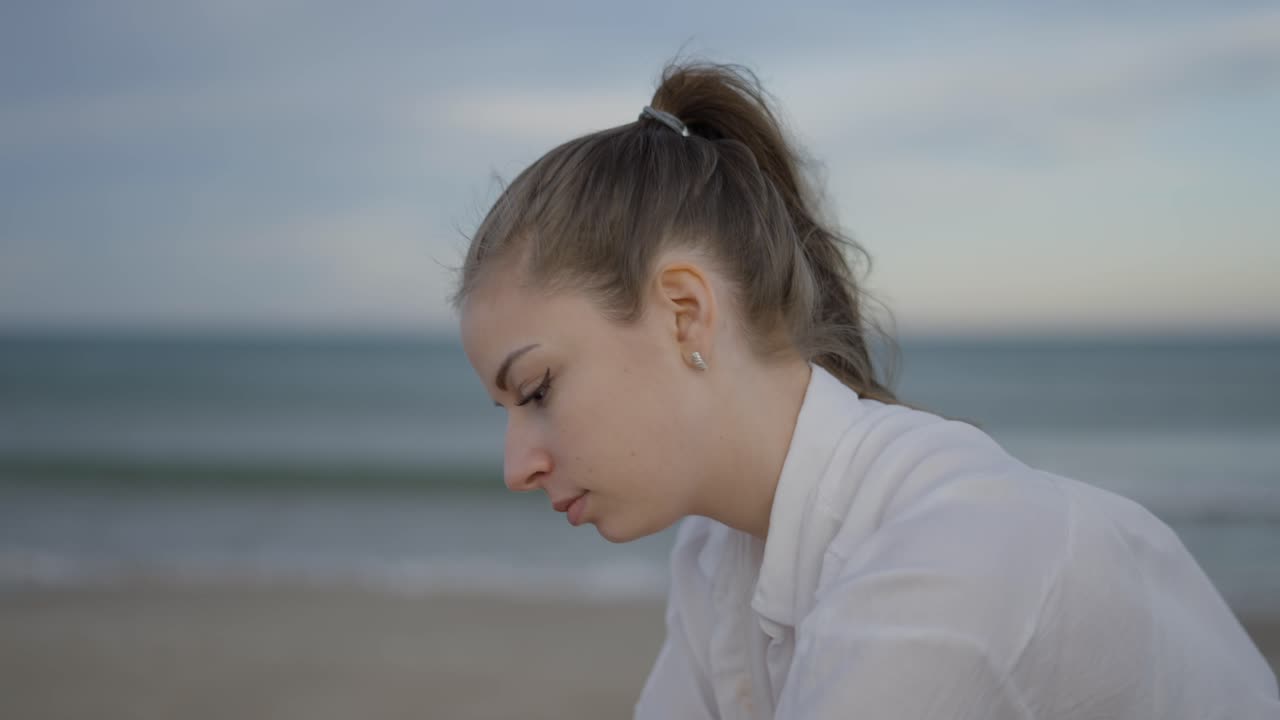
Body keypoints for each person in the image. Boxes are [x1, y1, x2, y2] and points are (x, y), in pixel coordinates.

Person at [453, 59, 1278, 719]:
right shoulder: (720, 556)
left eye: (536, 389)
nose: (517, 464)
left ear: (683, 312)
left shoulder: (942, 554)